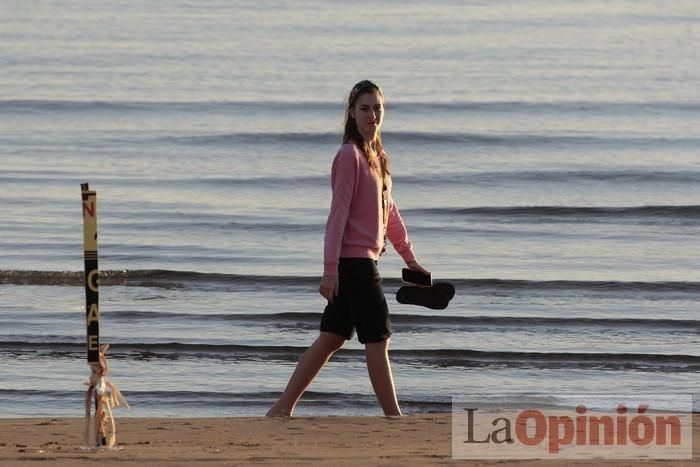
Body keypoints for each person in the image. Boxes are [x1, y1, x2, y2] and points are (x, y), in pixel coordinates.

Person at [266, 80, 429, 417]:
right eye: (365, 108)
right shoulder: (349, 156)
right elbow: (337, 216)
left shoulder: (379, 157)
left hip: (362, 262)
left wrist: (410, 258)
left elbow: (390, 212)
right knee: (378, 339)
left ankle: (281, 409)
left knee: (332, 337)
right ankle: (393, 416)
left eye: (378, 108)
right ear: (352, 113)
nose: (373, 115)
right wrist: (329, 270)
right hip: (354, 265)